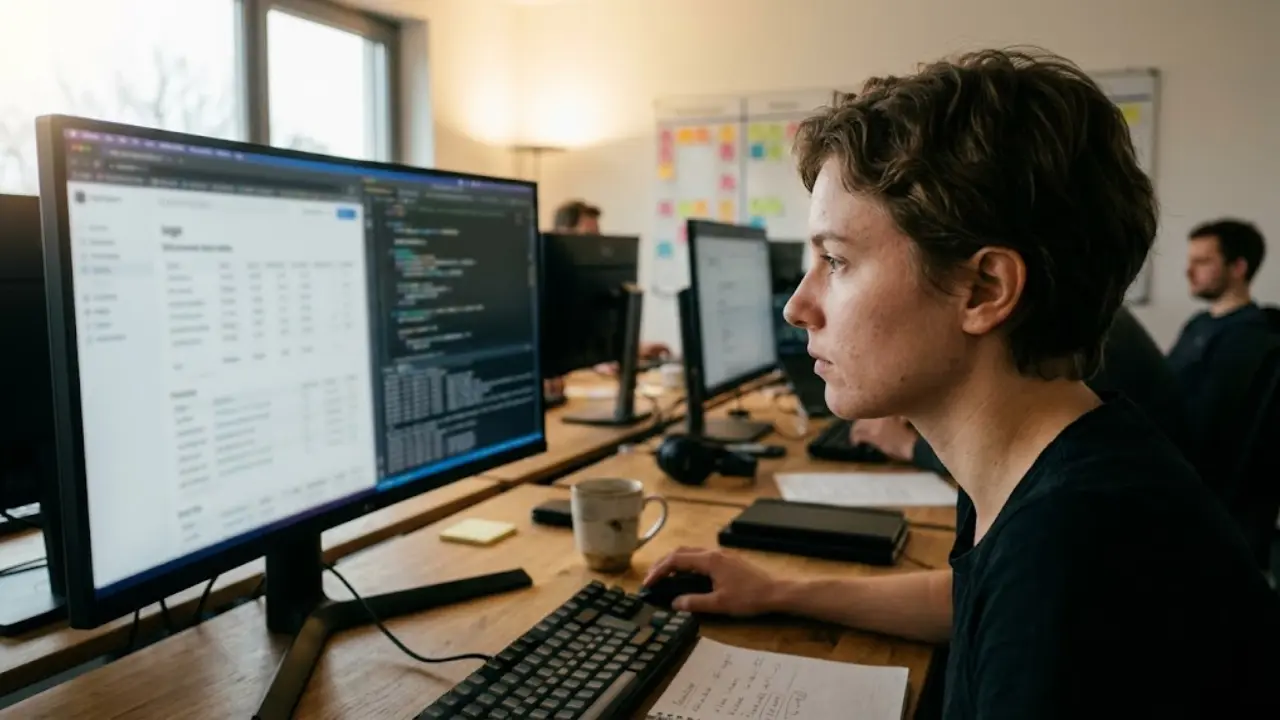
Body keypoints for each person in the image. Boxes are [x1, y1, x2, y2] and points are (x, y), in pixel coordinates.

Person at [644, 48, 1280, 718]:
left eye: (835, 259)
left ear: (985, 288)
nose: (797, 306)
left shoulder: (1075, 554)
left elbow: (1030, 602)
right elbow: (971, 597)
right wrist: (778, 592)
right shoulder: (1047, 468)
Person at [851, 306, 1192, 474]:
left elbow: (1013, 462)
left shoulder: (1078, 342)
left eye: (839, 262)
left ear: (991, 285)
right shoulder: (1086, 319)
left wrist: (909, 447)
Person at [1167, 221, 1272, 460]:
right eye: (1190, 260)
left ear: (1237, 267)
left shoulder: (1251, 334)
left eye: (1202, 262)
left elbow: (1210, 423)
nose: (1188, 271)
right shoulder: (1199, 322)